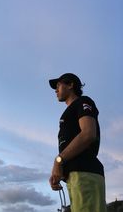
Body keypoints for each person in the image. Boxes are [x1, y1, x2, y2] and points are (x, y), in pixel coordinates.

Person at [48, 73, 107, 212]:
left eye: (58, 86)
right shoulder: (68, 112)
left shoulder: (83, 101)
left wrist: (58, 161)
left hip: (86, 173)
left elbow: (88, 134)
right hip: (76, 176)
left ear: (70, 85)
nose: (55, 91)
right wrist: (62, 169)